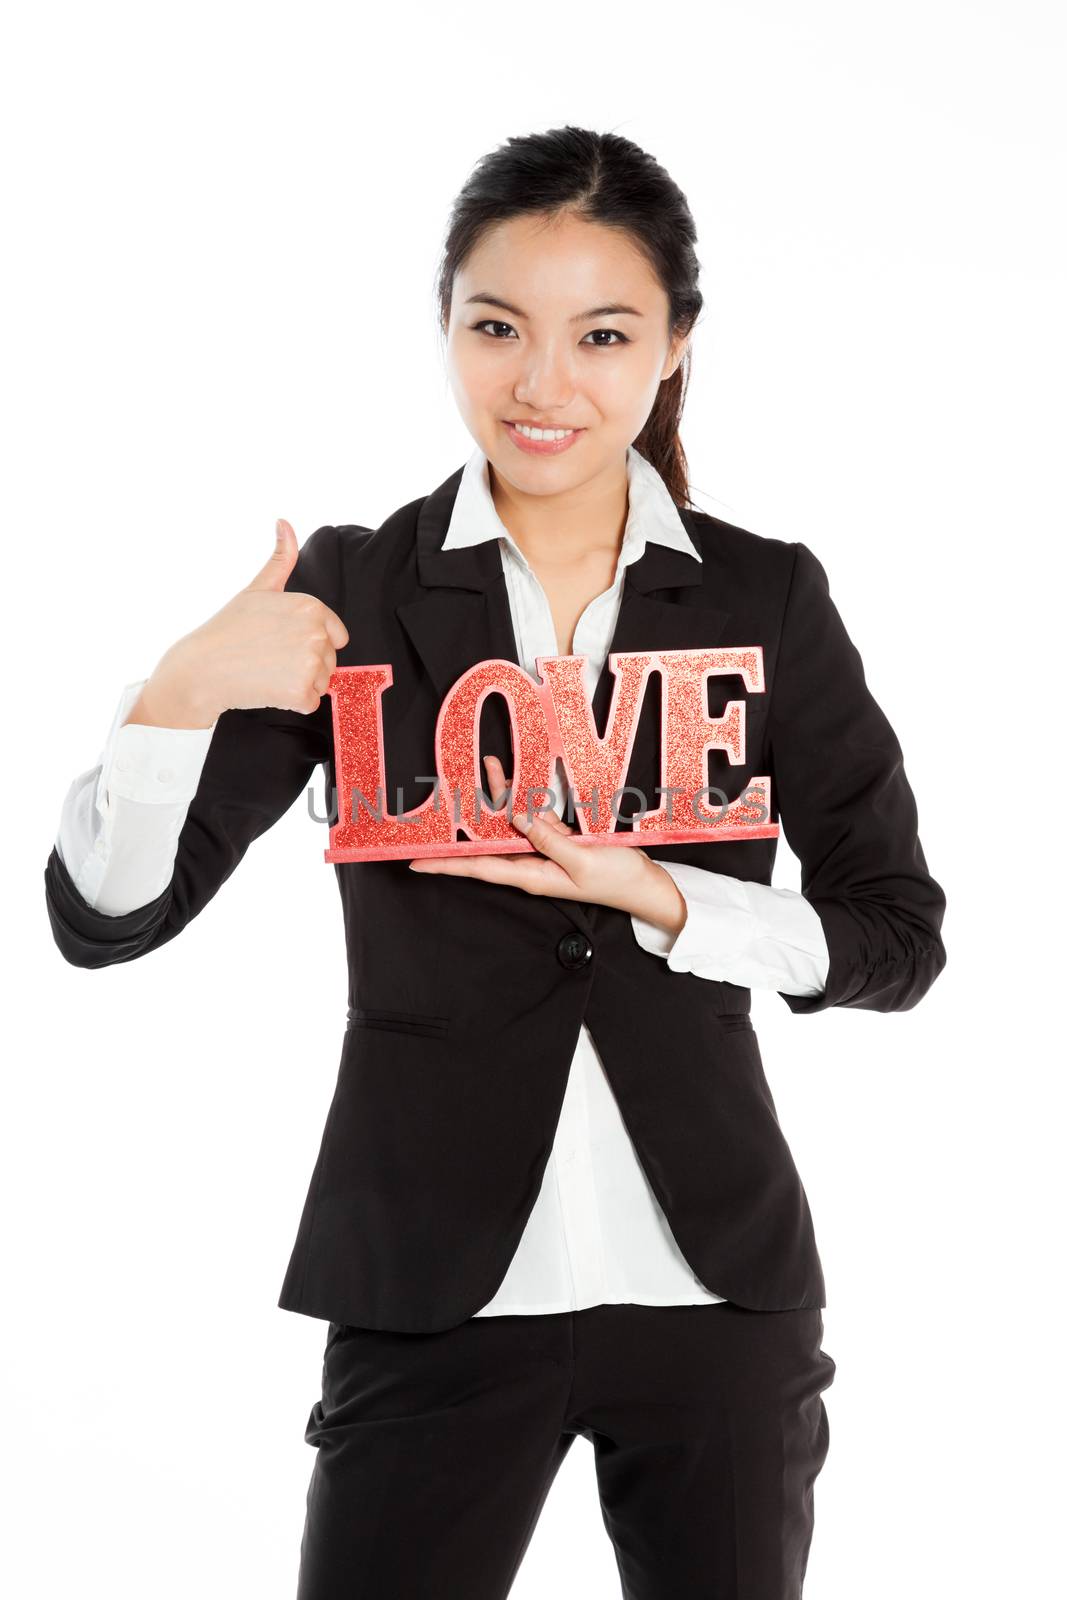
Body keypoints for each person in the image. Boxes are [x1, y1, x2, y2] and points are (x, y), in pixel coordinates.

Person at [44, 125, 947, 1599]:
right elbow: (105, 921)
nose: (543, 383)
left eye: (603, 334)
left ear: (674, 347)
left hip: (714, 1289)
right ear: (447, 327)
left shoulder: (767, 595)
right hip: (428, 1284)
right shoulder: (356, 589)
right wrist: (175, 694)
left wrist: (665, 896)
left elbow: (897, 939)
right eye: (498, 327)